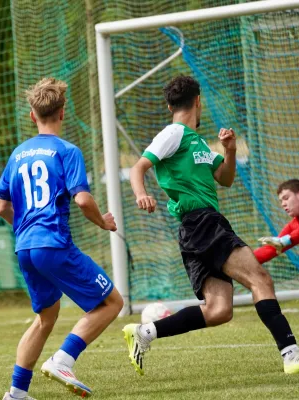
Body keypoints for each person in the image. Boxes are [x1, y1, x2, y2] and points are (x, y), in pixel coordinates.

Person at [122, 75, 299, 377]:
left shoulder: (198, 142)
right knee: (260, 279)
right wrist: (142, 194)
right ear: (198, 101)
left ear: (170, 105)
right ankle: (291, 352)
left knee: (219, 311)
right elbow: (138, 167)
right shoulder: (174, 133)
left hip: (197, 228)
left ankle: (145, 332)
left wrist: (229, 150)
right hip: (203, 222)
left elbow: (226, 179)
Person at [0, 77, 123, 400]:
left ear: (31, 116)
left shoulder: (18, 154)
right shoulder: (67, 151)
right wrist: (103, 222)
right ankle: (63, 360)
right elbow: (82, 200)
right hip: (52, 244)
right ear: (63, 113)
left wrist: (25, 228)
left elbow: (1, 207)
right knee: (111, 303)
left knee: (46, 317)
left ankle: (16, 394)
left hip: (25, 247)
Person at [255, 179, 299, 263]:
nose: (283, 204)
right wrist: (243, 261)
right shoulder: (293, 225)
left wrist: (285, 240)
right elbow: (273, 248)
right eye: (281, 201)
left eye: (286, 198)